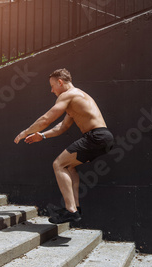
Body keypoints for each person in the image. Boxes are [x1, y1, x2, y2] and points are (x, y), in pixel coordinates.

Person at [14, 68, 113, 223]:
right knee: (69, 167)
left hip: (96, 136)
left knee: (58, 164)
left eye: (53, 86)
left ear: (60, 82)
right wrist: (42, 135)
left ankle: (71, 210)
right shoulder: (78, 97)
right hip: (103, 138)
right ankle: (76, 208)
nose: (51, 90)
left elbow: (47, 119)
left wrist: (25, 132)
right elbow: (62, 127)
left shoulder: (68, 95)